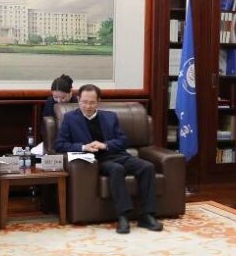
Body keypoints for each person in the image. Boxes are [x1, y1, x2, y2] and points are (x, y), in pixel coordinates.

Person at [54, 84, 163, 233]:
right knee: (117, 169)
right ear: (78, 100)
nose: (88, 106)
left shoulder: (110, 117)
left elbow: (123, 141)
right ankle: (123, 216)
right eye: (84, 102)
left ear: (98, 101)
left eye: (92, 102)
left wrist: (105, 145)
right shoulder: (70, 118)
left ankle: (147, 215)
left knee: (147, 167)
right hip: (95, 160)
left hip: (115, 154)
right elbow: (60, 145)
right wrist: (84, 147)